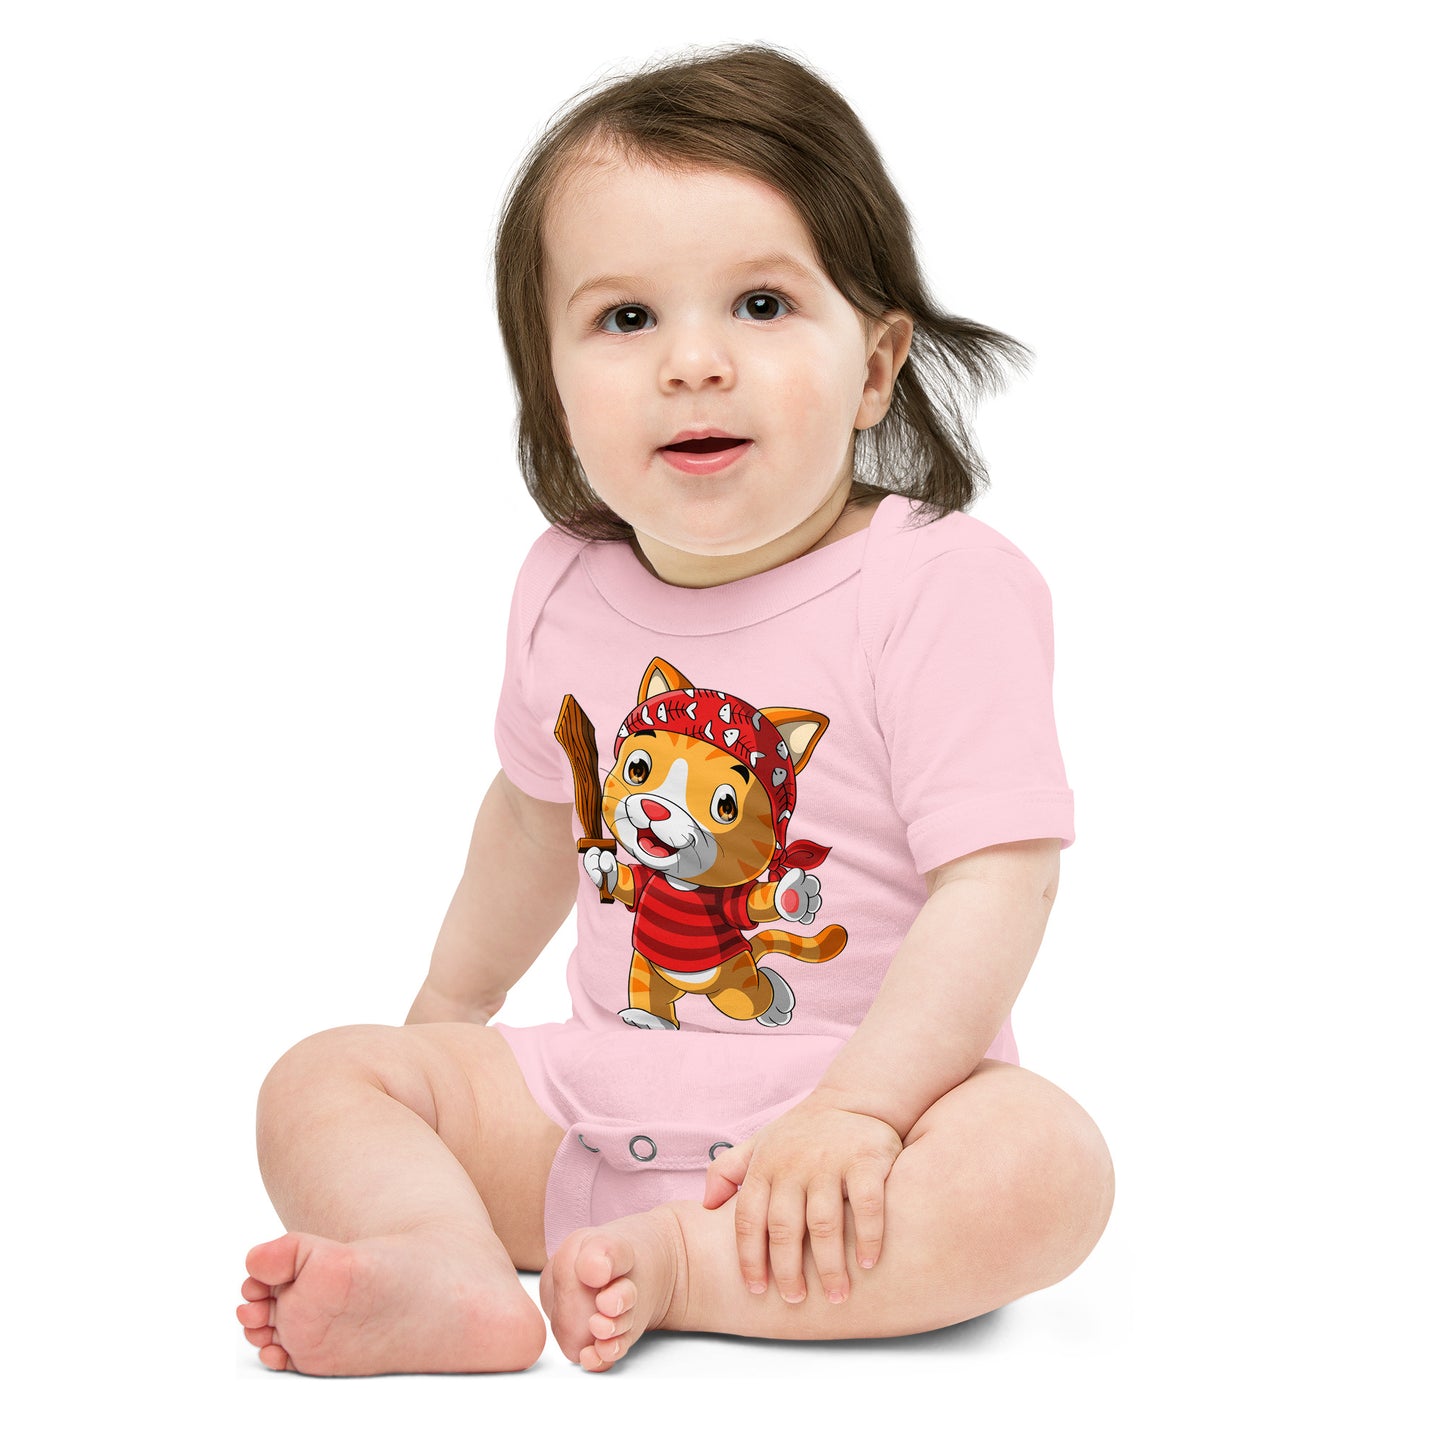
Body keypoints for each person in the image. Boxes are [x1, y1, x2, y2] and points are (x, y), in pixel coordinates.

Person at [235, 41, 1114, 1376]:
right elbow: (533, 819)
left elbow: (999, 880)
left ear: (876, 366)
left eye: (761, 304)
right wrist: (447, 1017)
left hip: (868, 1127)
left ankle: (686, 1267)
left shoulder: (939, 585)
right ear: (550, 383)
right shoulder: (564, 587)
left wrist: (860, 1112)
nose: (694, 363)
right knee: (322, 1078)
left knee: (1047, 1164)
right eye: (626, 318)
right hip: (600, 1095)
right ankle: (442, 1261)